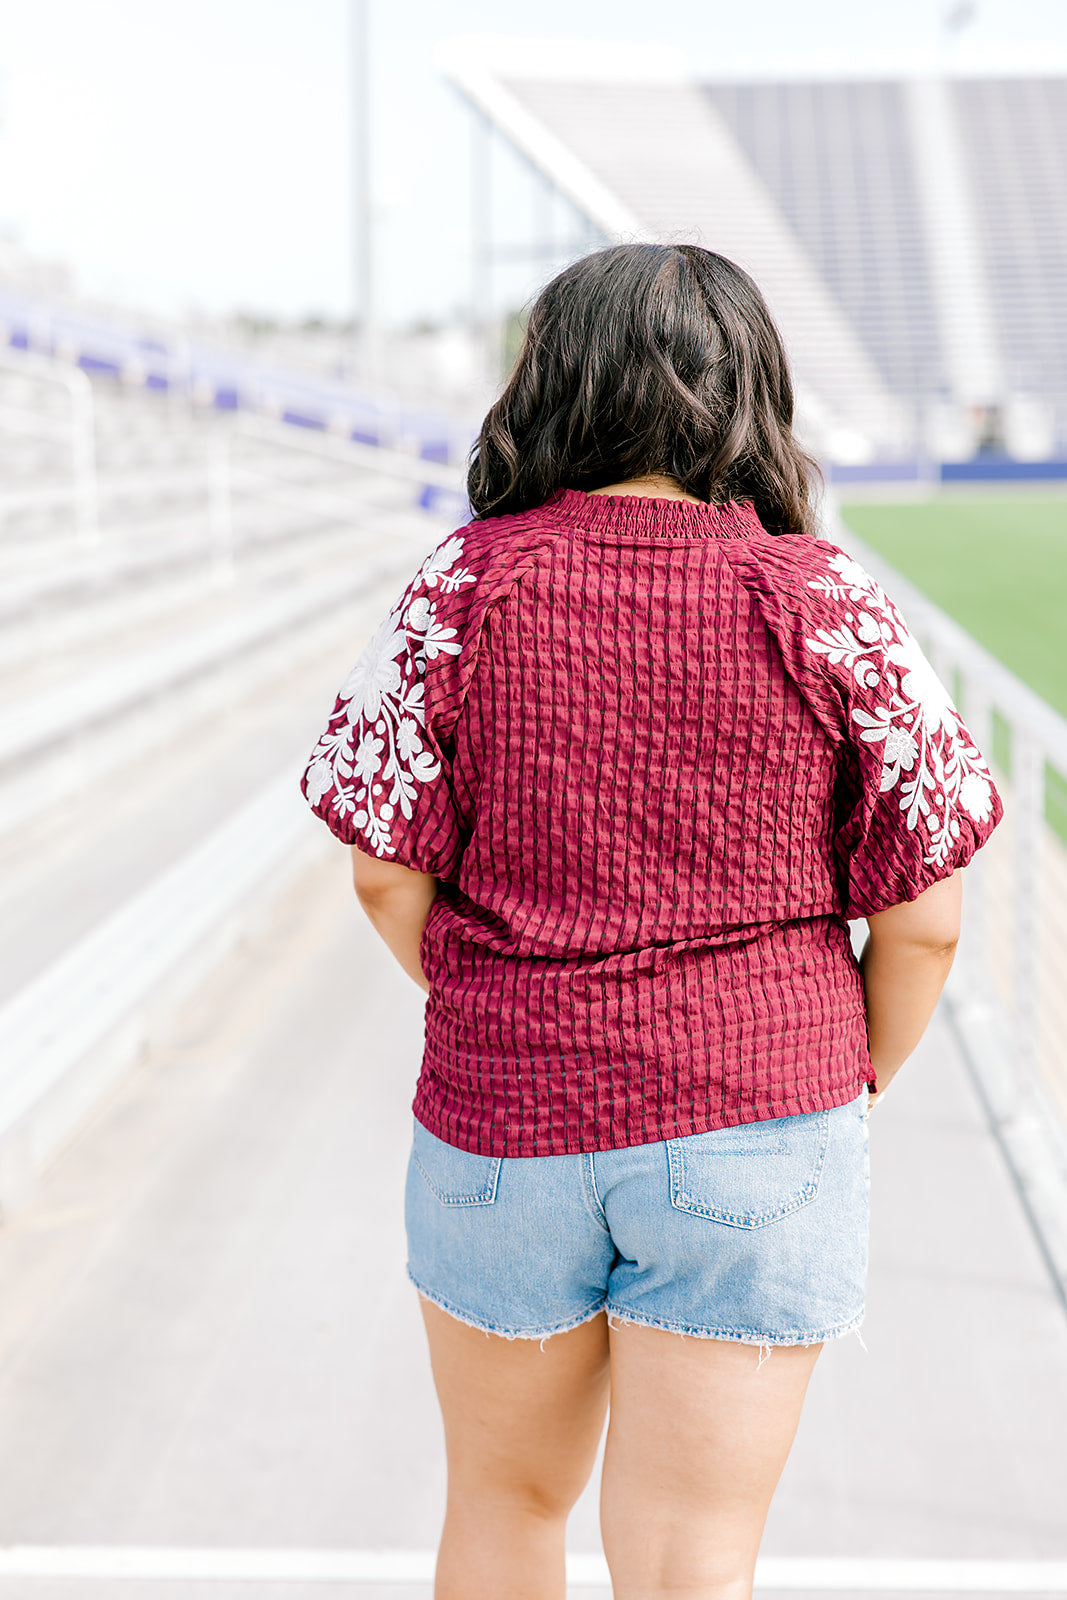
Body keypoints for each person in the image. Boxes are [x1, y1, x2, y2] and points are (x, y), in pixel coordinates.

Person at [301, 243, 1003, 1600]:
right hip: (761, 1117)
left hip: (504, 1112)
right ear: (750, 394)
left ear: (547, 386)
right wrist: (837, 1081)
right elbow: (927, 921)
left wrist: (491, 1002)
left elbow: (383, 871)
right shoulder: (825, 601)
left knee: (502, 1510)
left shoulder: (463, 587)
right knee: (694, 1557)